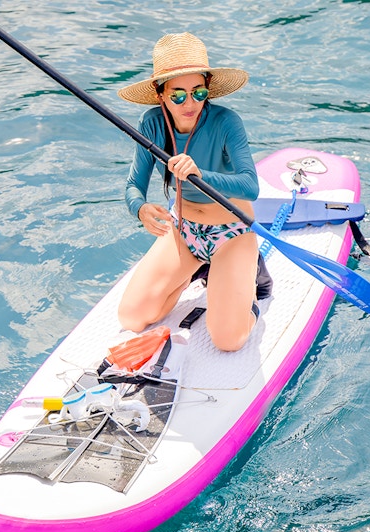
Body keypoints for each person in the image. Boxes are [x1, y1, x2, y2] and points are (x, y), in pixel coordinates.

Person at [117, 32, 270, 353]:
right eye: (178, 95)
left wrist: (203, 175)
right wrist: (140, 209)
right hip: (183, 229)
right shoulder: (151, 124)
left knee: (227, 340)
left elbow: (250, 186)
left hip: (232, 232)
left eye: (198, 92)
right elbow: (134, 186)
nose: (190, 103)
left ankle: (250, 292)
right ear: (160, 94)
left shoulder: (227, 122)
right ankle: (198, 271)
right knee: (133, 317)